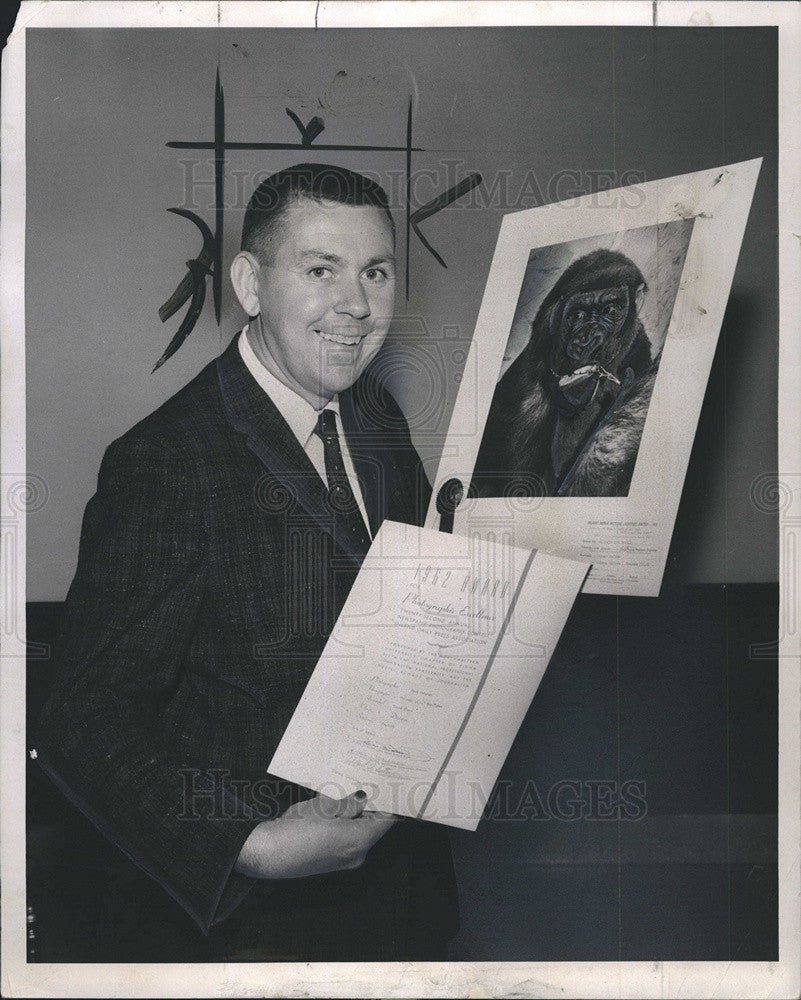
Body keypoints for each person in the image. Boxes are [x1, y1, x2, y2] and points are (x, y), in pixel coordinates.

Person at [35, 163, 458, 962]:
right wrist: (248, 845)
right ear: (251, 285)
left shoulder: (375, 415)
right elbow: (81, 722)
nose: (357, 305)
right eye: (321, 269)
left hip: (404, 904)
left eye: (375, 271)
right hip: (255, 933)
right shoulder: (165, 462)